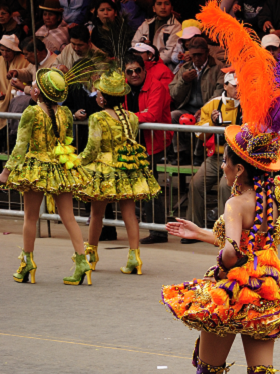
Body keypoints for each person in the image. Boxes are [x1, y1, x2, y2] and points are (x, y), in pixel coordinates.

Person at [162, 5, 280, 374]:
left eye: (226, 159)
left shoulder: (236, 199)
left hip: (231, 294)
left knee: (208, 372)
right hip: (266, 289)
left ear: (239, 168)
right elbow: (249, 242)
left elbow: (231, 254)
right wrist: (202, 234)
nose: (222, 165)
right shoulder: (273, 198)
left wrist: (219, 247)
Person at [1, 68, 92, 285]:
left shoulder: (32, 113)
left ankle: (27, 264)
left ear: (39, 92)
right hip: (61, 167)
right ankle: (82, 263)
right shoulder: (66, 113)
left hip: (36, 169)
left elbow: (20, 145)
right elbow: (67, 140)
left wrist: (6, 171)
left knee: (30, 218)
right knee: (69, 218)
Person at [76, 69, 160, 275]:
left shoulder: (97, 118)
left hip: (104, 170)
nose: (97, 96)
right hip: (127, 168)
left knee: (97, 214)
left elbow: (92, 149)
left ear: (103, 99)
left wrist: (76, 161)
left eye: (99, 94)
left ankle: (91, 255)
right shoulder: (131, 117)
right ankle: (134, 257)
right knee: (129, 214)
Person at [121, 52, 173, 246]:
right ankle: (150, 225)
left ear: (144, 70)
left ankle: (158, 230)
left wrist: (127, 116)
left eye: (138, 70)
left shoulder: (156, 86)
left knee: (149, 185)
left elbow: (151, 115)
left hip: (154, 142)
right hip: (134, 142)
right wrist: (135, 115)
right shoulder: (124, 88)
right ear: (125, 73)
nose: (134, 74)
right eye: (130, 71)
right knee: (140, 184)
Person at [183, 69, 239, 237]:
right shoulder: (213, 104)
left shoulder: (250, 104)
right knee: (196, 184)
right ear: (225, 85)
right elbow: (198, 132)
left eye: (241, 86)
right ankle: (194, 229)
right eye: (235, 86)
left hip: (238, 159)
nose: (239, 90)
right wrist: (213, 125)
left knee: (225, 186)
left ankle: (227, 232)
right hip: (216, 157)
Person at [168, 36, 223, 164]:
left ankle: (199, 154)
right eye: (193, 55)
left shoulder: (218, 68)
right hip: (187, 108)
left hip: (208, 107)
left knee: (203, 117)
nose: (197, 58)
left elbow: (219, 94)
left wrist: (204, 109)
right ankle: (181, 152)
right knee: (173, 116)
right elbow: (173, 94)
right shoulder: (185, 68)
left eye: (200, 55)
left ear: (207, 53)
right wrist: (184, 80)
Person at [132, 0, 180, 65]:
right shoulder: (146, 24)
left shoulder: (177, 27)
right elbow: (134, 44)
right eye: (159, 4)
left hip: (165, 68)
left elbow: (169, 55)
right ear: (154, 8)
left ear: (171, 8)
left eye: (166, 4)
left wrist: (151, 61)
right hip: (144, 65)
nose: (163, 7)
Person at [0, 34, 27, 136]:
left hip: (16, 98)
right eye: (2, 50)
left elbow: (26, 82)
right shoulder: (0, 60)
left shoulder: (24, 61)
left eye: (8, 51)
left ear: (14, 51)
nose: (5, 54)